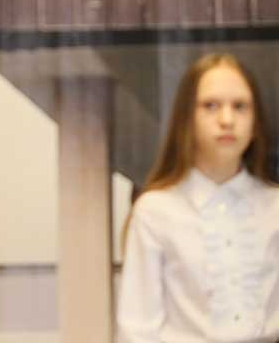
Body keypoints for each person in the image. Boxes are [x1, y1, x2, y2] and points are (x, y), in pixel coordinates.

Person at [117, 53, 279, 343]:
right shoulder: (155, 211)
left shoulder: (275, 207)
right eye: (211, 106)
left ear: (255, 123)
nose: (227, 120)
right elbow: (137, 329)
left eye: (240, 106)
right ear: (187, 119)